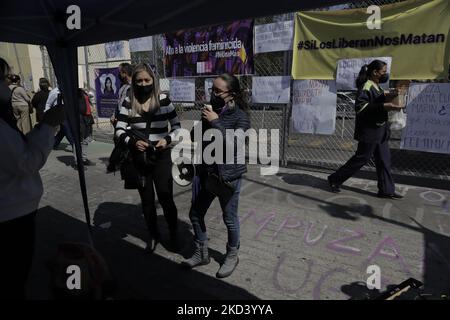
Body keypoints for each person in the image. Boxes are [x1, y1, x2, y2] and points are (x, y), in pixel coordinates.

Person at [0, 57, 65, 299]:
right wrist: (48, 126)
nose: (8, 84)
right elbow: (26, 162)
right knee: (14, 278)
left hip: (14, 210)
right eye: (5, 78)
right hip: (11, 215)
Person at [181, 73, 250, 278]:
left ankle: (232, 255)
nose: (213, 94)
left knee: (229, 219)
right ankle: (202, 253)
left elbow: (234, 145)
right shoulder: (210, 113)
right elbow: (194, 138)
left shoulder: (241, 118)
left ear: (232, 95)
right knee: (195, 214)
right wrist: (204, 122)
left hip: (228, 177)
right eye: (212, 90)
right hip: (207, 174)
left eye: (218, 91)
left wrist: (217, 122)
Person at [115, 63, 181, 252]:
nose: (143, 84)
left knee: (166, 196)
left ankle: (173, 232)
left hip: (161, 156)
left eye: (147, 80)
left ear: (153, 80)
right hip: (139, 158)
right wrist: (131, 142)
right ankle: (153, 235)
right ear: (133, 82)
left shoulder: (164, 101)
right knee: (147, 200)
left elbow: (177, 128)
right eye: (139, 81)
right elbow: (119, 130)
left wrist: (167, 139)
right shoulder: (129, 101)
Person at [327, 59, 404, 199]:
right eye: (383, 72)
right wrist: (384, 106)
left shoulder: (376, 86)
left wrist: (392, 95)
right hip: (370, 131)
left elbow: (379, 98)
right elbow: (361, 107)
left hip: (381, 130)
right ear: (375, 72)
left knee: (384, 159)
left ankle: (386, 190)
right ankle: (335, 179)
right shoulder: (366, 86)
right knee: (362, 158)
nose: (385, 74)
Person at [111, 63, 133, 128]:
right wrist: (114, 115)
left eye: (119, 72)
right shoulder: (123, 86)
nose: (118, 74)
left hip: (128, 118)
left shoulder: (133, 86)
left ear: (125, 73)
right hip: (120, 115)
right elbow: (119, 102)